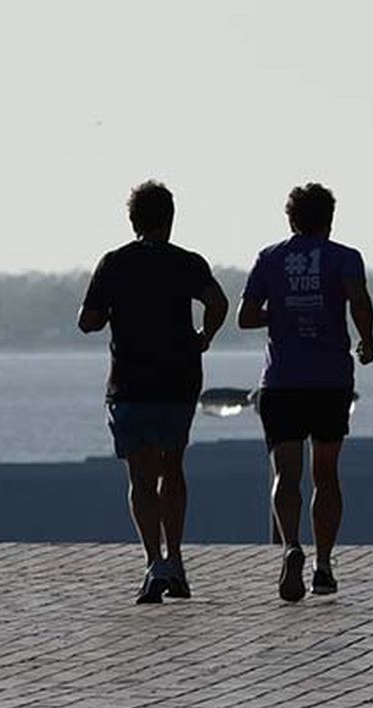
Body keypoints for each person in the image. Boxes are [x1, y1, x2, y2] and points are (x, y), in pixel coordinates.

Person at [78, 180, 229, 604]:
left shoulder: (114, 263)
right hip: (178, 381)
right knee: (173, 468)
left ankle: (153, 563)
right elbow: (218, 303)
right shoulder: (188, 264)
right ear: (171, 219)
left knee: (141, 476)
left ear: (132, 220)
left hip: (129, 384)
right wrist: (205, 336)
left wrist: (109, 313)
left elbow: (87, 321)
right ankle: (177, 561)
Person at [238, 183, 373, 602]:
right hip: (330, 380)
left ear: (290, 219)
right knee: (326, 474)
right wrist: (366, 341)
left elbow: (245, 317)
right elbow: (359, 301)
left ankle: (291, 545)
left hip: (281, 382)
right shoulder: (345, 258)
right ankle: (325, 565)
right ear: (329, 220)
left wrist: (280, 310)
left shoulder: (270, 258)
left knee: (286, 473)